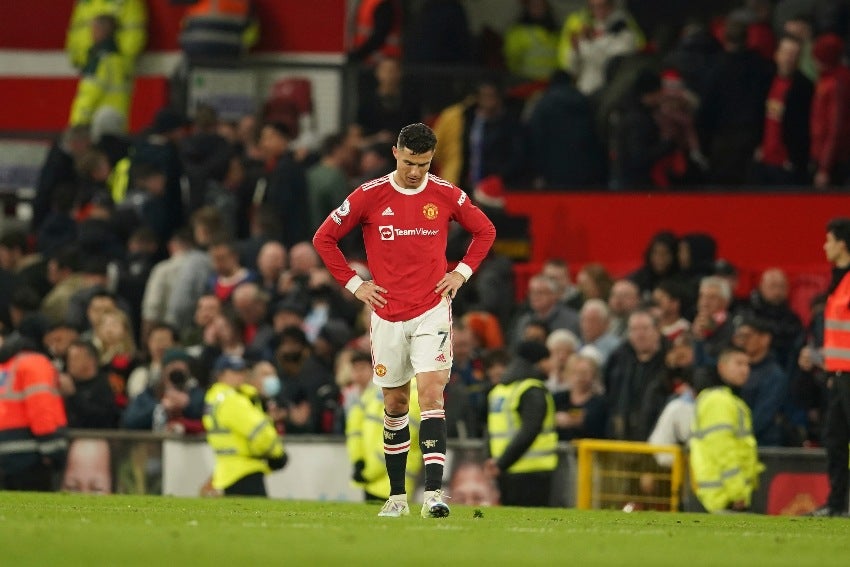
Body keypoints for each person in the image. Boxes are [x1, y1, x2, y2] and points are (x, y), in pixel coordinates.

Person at [313, 122, 496, 518]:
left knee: (431, 393)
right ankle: (396, 497)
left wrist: (460, 274)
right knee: (395, 403)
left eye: (425, 164)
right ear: (396, 152)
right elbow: (323, 238)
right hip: (386, 313)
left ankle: (433, 495)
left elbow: (485, 230)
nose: (416, 172)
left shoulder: (445, 194)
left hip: (432, 308)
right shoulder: (369, 195)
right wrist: (354, 285)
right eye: (410, 162)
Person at [690, 347, 765, 513]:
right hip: (722, 496)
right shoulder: (719, 401)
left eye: (747, 364)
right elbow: (723, 450)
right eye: (738, 363)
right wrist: (737, 491)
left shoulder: (728, 399)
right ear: (722, 367)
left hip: (720, 494)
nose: (744, 369)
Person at [484, 340, 558, 507]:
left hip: (504, 470)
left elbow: (489, 431)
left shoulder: (499, 391)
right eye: (549, 359)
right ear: (539, 361)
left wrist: (493, 461)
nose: (552, 365)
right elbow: (530, 431)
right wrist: (502, 463)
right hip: (533, 471)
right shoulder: (531, 390)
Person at [202, 355, 287, 497]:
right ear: (221, 375)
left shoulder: (215, 398)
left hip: (225, 471)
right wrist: (277, 454)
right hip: (245, 471)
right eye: (235, 372)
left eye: (242, 371)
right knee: (259, 517)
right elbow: (261, 432)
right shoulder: (233, 400)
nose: (240, 376)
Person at [812, 218, 850, 516]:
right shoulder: (838, 280)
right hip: (838, 375)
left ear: (842, 244)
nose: (825, 246)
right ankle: (837, 505)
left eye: (828, 240)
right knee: (835, 440)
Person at [346, 352, 422, 501]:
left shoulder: (412, 392)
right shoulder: (377, 389)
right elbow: (355, 429)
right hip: (374, 480)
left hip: (392, 482)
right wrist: (358, 461)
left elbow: (399, 438)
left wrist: (368, 472)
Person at [0, 337, 68, 491]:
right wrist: (54, 451)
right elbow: (41, 409)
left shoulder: (7, 366)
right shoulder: (35, 363)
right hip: (29, 452)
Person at [68, 14, 132, 130]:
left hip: (96, 123)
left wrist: (78, 123)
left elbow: (89, 94)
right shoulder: (120, 59)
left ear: (102, 31)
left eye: (93, 29)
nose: (91, 33)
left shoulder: (99, 60)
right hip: (118, 122)